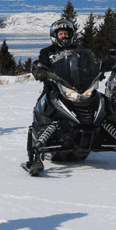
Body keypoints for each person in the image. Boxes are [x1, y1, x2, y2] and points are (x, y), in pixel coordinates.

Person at [26, 19, 79, 174]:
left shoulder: (79, 49)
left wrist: (98, 70)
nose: (64, 36)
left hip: (78, 88)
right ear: (55, 35)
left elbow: (90, 62)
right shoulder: (47, 52)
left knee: (101, 101)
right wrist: (40, 72)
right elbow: (40, 66)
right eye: (61, 34)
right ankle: (41, 139)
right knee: (44, 106)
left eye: (66, 33)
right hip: (55, 87)